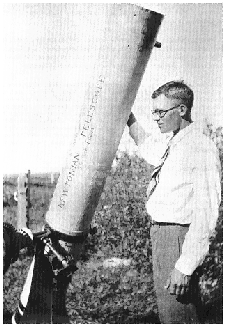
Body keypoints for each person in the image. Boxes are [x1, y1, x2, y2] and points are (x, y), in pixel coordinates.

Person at [127, 80, 221, 324]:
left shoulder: (200, 147)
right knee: (169, 314)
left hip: (178, 239)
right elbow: (146, 145)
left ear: (181, 110)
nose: (156, 118)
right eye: (154, 112)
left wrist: (185, 266)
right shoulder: (175, 141)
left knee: (179, 315)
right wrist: (128, 117)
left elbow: (206, 214)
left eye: (161, 112)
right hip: (162, 236)